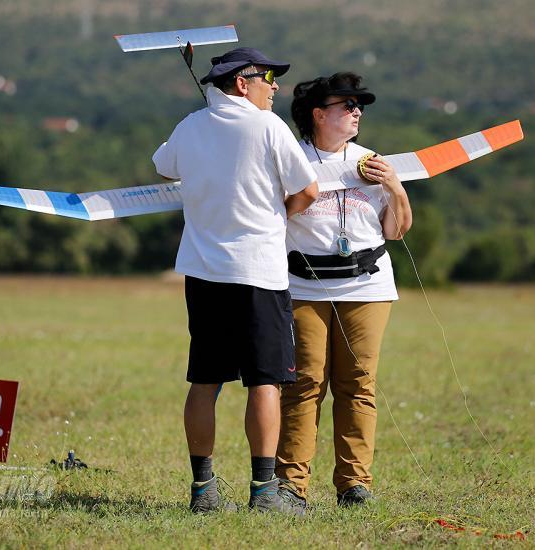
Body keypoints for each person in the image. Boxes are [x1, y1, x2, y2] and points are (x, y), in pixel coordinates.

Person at [152, 47, 319, 515]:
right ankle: (264, 492)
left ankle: (203, 490)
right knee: (266, 382)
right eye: (268, 77)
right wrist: (276, 218)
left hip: (204, 275)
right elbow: (308, 190)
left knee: (204, 381)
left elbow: (163, 165)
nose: (276, 87)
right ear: (242, 83)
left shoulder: (190, 125)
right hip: (259, 273)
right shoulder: (268, 127)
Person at [275, 72, 413, 507]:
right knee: (304, 383)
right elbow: (270, 218)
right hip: (302, 285)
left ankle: (355, 485)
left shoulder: (371, 160)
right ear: (318, 114)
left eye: (359, 106)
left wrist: (392, 183)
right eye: (346, 105)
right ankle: (290, 487)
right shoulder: (291, 160)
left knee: (358, 384)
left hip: (367, 286)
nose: (357, 112)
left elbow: (397, 229)